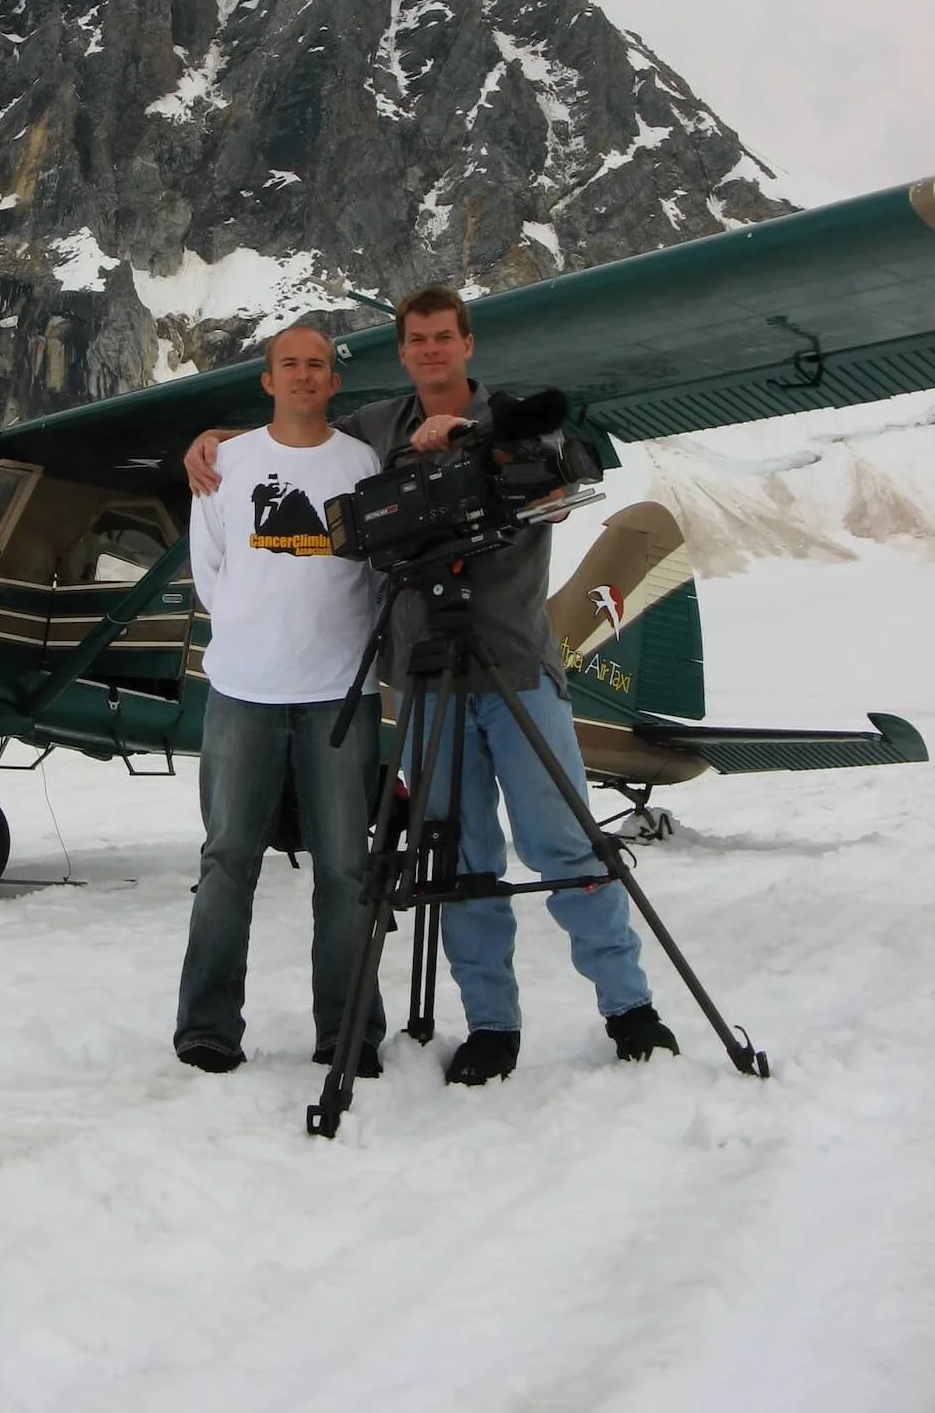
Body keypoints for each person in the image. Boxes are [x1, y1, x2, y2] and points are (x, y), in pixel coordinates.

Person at [185, 286, 679, 1085]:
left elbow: (566, 474)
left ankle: (629, 1007)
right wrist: (215, 441)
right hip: (426, 677)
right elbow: (295, 436)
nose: (430, 351)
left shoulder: (520, 420)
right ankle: (492, 1024)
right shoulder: (375, 430)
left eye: (443, 337)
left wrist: (484, 447)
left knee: (561, 840)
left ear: (467, 344)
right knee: (459, 855)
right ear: (404, 349)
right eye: (416, 339)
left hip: (515, 665)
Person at [175, 324, 387, 1078]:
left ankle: (348, 1028)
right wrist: (246, 632)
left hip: (338, 694)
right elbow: (210, 568)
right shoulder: (225, 464)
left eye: (317, 366)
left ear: (334, 382)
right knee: (227, 858)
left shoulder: (361, 464)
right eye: (290, 364)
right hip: (242, 691)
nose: (304, 375)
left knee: (345, 870)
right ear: (267, 380)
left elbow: (370, 574)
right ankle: (206, 1026)